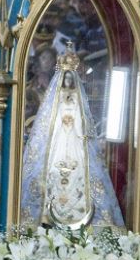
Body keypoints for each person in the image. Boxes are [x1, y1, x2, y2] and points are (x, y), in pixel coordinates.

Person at [21, 49, 124, 229]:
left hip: (75, 142)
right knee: (52, 172)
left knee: (80, 174)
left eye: (70, 79)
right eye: (65, 79)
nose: (68, 82)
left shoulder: (77, 100)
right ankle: (49, 214)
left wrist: (77, 129)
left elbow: (82, 122)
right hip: (57, 142)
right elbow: (47, 124)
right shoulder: (54, 102)